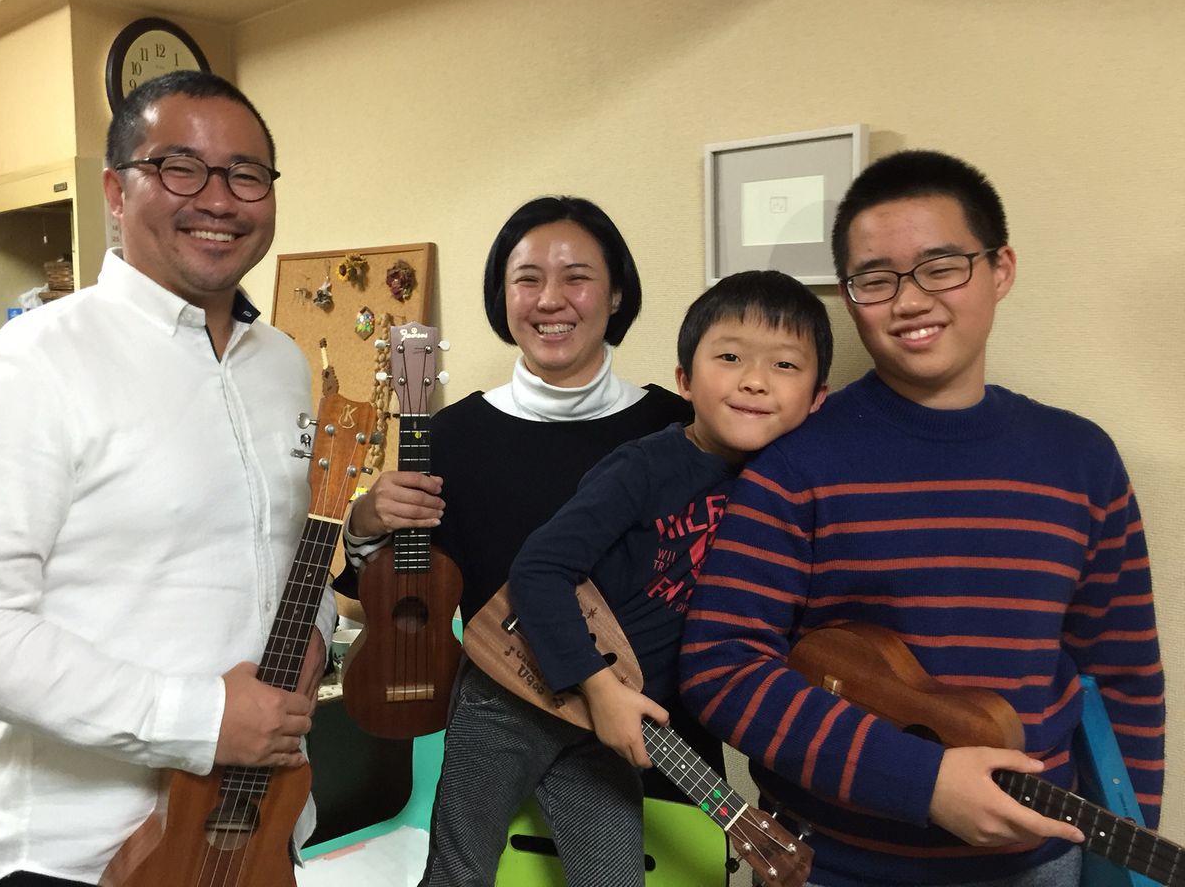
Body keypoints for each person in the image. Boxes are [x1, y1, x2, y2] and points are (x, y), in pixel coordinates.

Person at [680, 150, 1165, 887]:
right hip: (832, 865)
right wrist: (920, 781)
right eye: (876, 279)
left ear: (1000, 269)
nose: (909, 301)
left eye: (942, 267)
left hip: (1042, 866)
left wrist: (1126, 854)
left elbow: (1125, 678)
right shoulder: (794, 462)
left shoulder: (1081, 460)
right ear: (850, 299)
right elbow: (722, 665)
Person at [0, 71, 333, 887]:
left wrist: (310, 629)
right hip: (80, 855)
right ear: (115, 190)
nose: (219, 198)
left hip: (260, 828)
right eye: (181, 167)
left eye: (246, 174)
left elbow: (274, 545)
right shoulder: (26, 368)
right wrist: (199, 719)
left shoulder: (281, 365)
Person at [337, 195, 707, 886]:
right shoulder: (452, 437)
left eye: (577, 277)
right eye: (527, 279)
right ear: (501, 296)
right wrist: (364, 524)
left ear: (616, 293)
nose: (550, 299)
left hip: (648, 734)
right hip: (499, 713)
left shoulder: (675, 426)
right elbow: (372, 607)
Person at [494, 269, 831, 884]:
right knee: (462, 865)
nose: (755, 380)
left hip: (617, 727)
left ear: (817, 399)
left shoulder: (787, 498)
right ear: (685, 380)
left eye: (784, 365)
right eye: (730, 357)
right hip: (512, 691)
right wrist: (600, 686)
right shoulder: (645, 467)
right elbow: (539, 568)